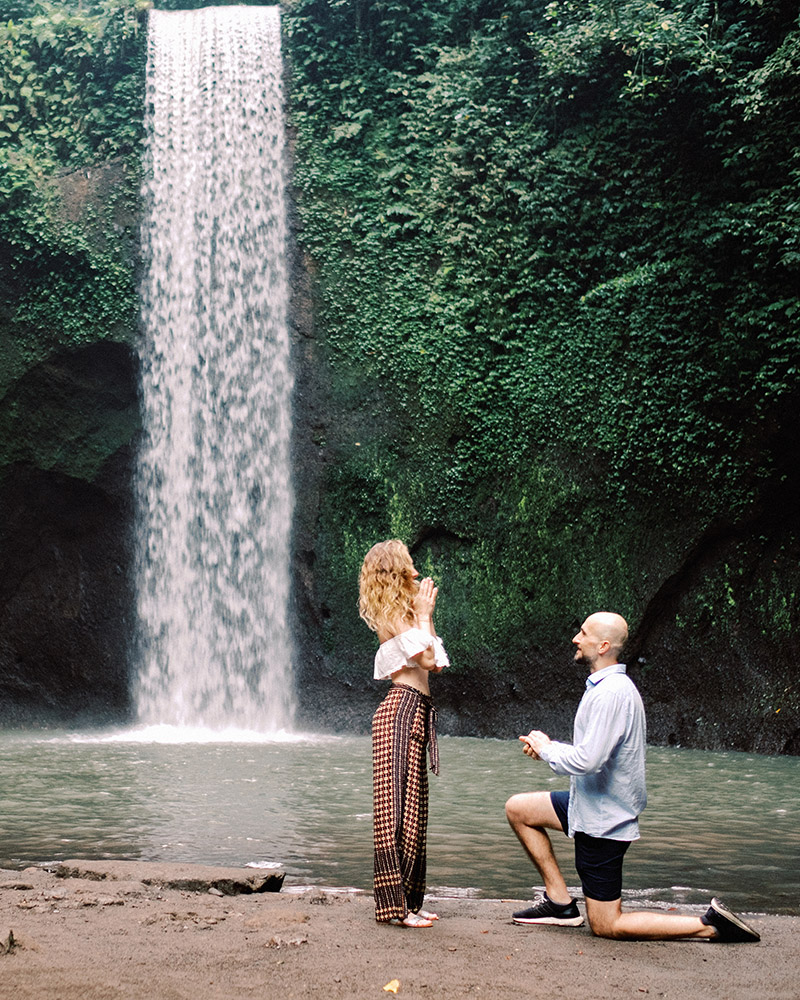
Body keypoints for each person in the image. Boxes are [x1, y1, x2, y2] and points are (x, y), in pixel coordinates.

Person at [505, 611, 760, 943]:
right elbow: (594, 752)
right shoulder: (606, 687)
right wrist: (549, 749)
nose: (576, 639)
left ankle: (710, 924)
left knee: (607, 924)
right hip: (589, 804)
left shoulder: (612, 693)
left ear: (604, 645)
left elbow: (588, 761)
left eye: (583, 633)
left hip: (603, 822)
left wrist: (548, 748)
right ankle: (559, 903)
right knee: (519, 809)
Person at [359, 539, 449, 928]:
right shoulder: (391, 613)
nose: (416, 573)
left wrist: (424, 615)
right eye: (409, 567)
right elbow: (426, 658)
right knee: (394, 813)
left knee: (416, 814)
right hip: (399, 711)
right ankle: (393, 908)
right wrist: (427, 615)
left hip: (416, 710)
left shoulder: (407, 613)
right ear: (394, 571)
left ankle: (411, 901)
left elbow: (438, 666)